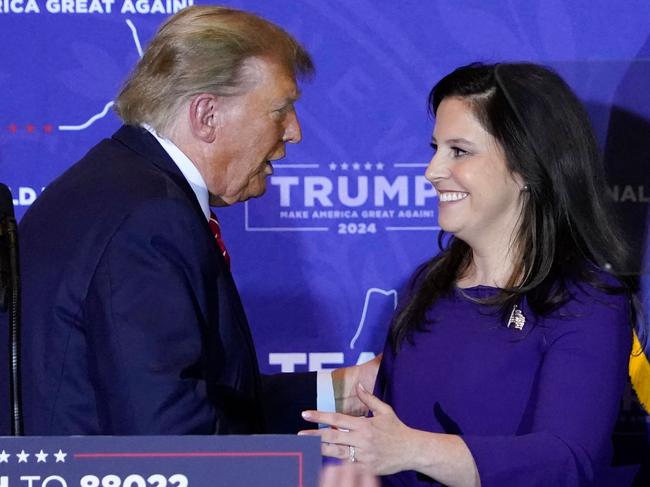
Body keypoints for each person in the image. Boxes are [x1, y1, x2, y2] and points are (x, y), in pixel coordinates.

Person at [18, 5, 377, 436]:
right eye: (280, 109)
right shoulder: (148, 218)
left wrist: (345, 390)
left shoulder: (118, 186)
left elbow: (187, 398)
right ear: (207, 115)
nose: (294, 131)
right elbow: (171, 443)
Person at [300, 62, 636, 486]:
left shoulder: (583, 299)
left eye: (459, 150)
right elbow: (379, 423)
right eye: (436, 147)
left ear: (525, 167)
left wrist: (413, 449)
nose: (432, 171)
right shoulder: (428, 285)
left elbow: (565, 460)